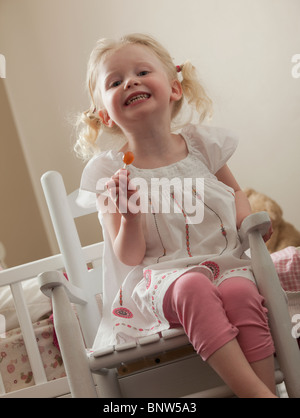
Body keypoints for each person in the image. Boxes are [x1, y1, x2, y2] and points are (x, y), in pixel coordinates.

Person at [76, 33, 276, 398]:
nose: (130, 82)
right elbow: (128, 257)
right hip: (161, 283)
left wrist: (248, 223)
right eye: (115, 81)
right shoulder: (110, 175)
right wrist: (131, 217)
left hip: (226, 265)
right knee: (193, 285)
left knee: (240, 292)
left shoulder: (202, 146)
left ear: (174, 89)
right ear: (106, 115)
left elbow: (234, 193)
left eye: (141, 71)